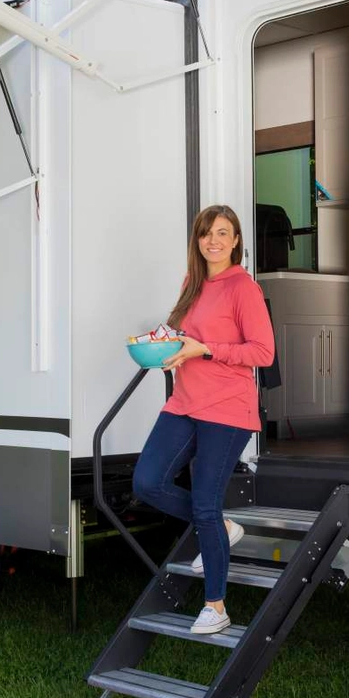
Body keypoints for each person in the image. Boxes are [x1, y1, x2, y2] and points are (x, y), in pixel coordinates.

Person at [132, 205, 275, 635]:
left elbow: (263, 353)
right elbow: (185, 338)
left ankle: (216, 606)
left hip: (227, 409)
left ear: (236, 242)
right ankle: (225, 527)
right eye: (206, 233)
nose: (213, 240)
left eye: (223, 233)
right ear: (197, 240)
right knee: (147, 482)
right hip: (185, 402)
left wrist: (205, 349)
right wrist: (168, 351)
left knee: (205, 505)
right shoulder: (191, 284)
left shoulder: (243, 288)